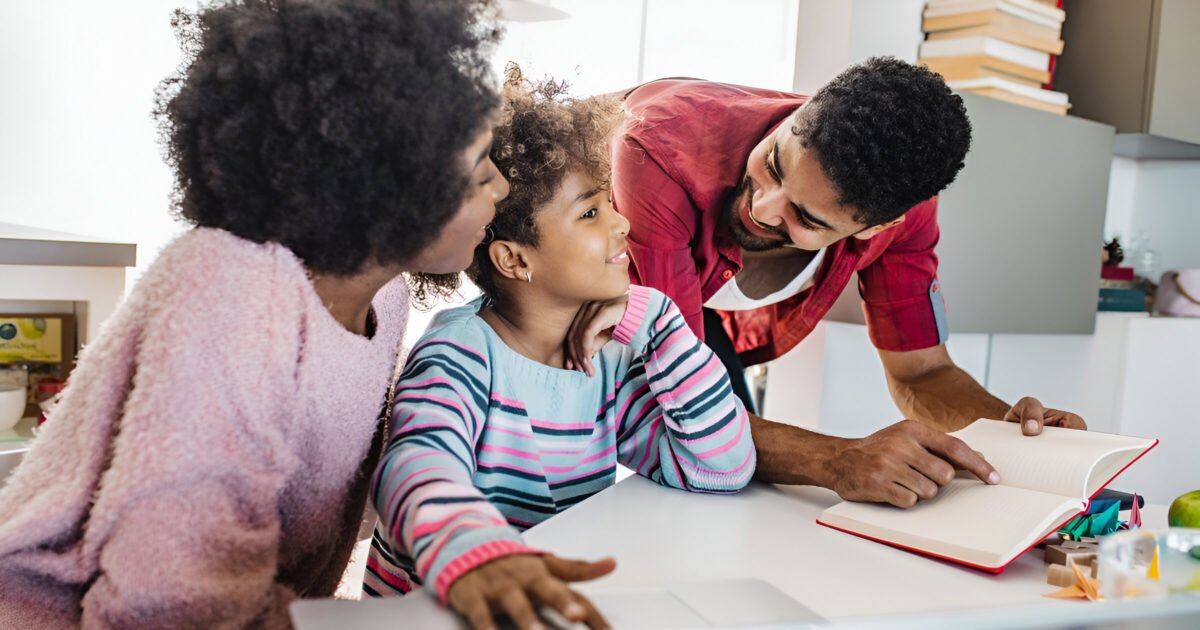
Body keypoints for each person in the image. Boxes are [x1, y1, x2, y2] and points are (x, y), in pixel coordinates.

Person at [0, 0, 507, 626]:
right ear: (386, 182)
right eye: (481, 170)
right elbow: (166, 604)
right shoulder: (229, 289)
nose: (502, 189)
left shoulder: (386, 298)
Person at [364, 71, 756, 630]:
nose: (622, 222)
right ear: (514, 260)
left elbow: (719, 467)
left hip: (541, 608)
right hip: (436, 612)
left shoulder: (610, 356)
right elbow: (415, 465)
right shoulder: (461, 353)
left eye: (610, 204)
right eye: (591, 213)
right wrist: (478, 551)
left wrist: (661, 320)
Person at [610, 57, 1088, 508]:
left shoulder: (903, 214)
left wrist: (1008, 433)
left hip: (689, 328)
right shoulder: (659, 154)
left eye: (804, 217)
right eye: (774, 164)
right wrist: (836, 460)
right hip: (556, 297)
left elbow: (921, 373)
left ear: (880, 227)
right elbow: (683, 404)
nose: (762, 209)